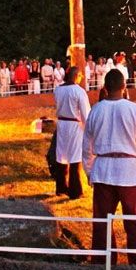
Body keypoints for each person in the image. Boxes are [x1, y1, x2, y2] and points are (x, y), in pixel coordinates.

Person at [82, 69, 136, 266]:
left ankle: (102, 260)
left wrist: (90, 171)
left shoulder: (96, 110)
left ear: (105, 88)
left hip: (104, 171)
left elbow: (86, 146)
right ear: (124, 86)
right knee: (135, 219)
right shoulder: (133, 109)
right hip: (128, 171)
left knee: (102, 222)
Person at [53, 66, 91, 198]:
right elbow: (86, 114)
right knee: (75, 156)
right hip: (74, 125)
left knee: (61, 155)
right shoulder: (78, 91)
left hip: (62, 124)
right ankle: (75, 191)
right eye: (80, 76)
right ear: (77, 76)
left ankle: (61, 187)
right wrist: (90, 130)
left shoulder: (58, 90)